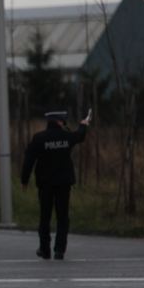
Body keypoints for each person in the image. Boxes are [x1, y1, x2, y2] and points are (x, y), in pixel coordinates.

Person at [21, 109, 91, 260]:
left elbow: (28, 161)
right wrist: (83, 125)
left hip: (45, 183)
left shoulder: (39, 138)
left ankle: (45, 249)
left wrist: (24, 180)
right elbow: (79, 136)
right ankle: (59, 250)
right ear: (60, 122)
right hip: (63, 183)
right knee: (62, 217)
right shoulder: (67, 137)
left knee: (44, 216)